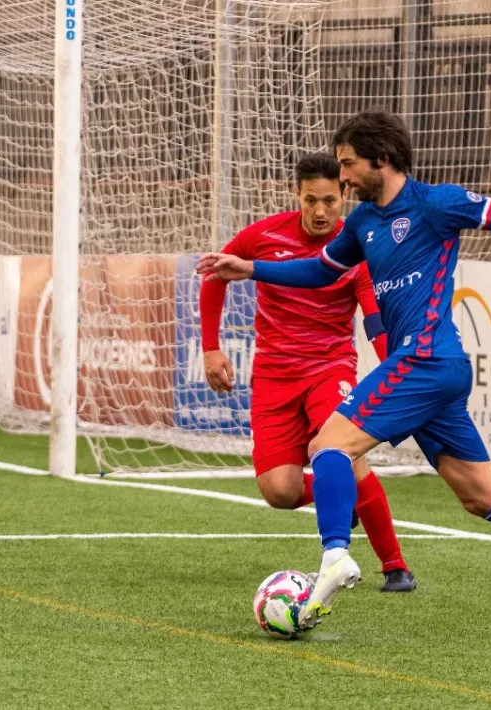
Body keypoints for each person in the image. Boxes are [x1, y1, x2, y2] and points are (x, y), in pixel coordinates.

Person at [197, 110, 491, 635]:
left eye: (350, 165)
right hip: (431, 369)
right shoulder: (360, 222)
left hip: (425, 358)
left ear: (381, 159)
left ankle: (335, 556)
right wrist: (252, 269)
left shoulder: (436, 203)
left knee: (329, 447)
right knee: (481, 496)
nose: (344, 178)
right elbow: (319, 271)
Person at [200, 152, 415, 592]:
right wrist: (210, 348)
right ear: (297, 194)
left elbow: (374, 320)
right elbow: (215, 276)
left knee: (342, 451)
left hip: (329, 367)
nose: (321, 211)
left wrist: (401, 369)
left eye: (331, 201)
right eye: (312, 200)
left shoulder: (358, 248)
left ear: (345, 196)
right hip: (274, 376)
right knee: (279, 491)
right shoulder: (262, 236)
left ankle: (394, 565)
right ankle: (342, 497)